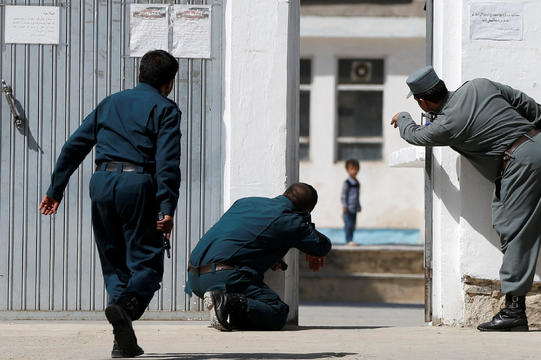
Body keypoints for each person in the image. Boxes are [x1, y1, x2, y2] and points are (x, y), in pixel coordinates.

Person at [390, 66, 541, 331]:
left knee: (514, 230)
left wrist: (404, 116)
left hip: (518, 164)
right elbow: (524, 102)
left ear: (422, 101)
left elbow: (415, 135)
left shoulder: (446, 125)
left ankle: (514, 311)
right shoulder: (478, 85)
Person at [39, 50, 181, 356]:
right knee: (146, 262)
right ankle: (125, 308)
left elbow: (75, 145)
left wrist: (56, 189)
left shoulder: (111, 102)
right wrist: (167, 207)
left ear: (139, 74)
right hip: (138, 184)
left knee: (113, 260)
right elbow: (167, 164)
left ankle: (122, 342)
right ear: (169, 83)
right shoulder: (166, 109)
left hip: (101, 183)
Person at [185, 183, 331, 331]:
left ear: (285, 193)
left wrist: (271, 255)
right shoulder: (290, 221)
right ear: (308, 209)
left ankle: (229, 306)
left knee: (249, 316)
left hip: (194, 278)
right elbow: (322, 247)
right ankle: (228, 301)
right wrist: (307, 223)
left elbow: (243, 237)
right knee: (277, 312)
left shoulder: (245, 202)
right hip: (222, 278)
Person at [341, 159, 361, 246]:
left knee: (353, 225)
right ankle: (348, 240)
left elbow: (357, 196)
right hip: (348, 209)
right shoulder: (347, 183)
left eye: (356, 169)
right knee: (348, 225)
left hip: (354, 208)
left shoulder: (357, 183)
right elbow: (343, 195)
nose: (354, 171)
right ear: (347, 170)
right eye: (352, 169)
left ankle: (351, 240)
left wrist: (359, 205)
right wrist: (345, 205)